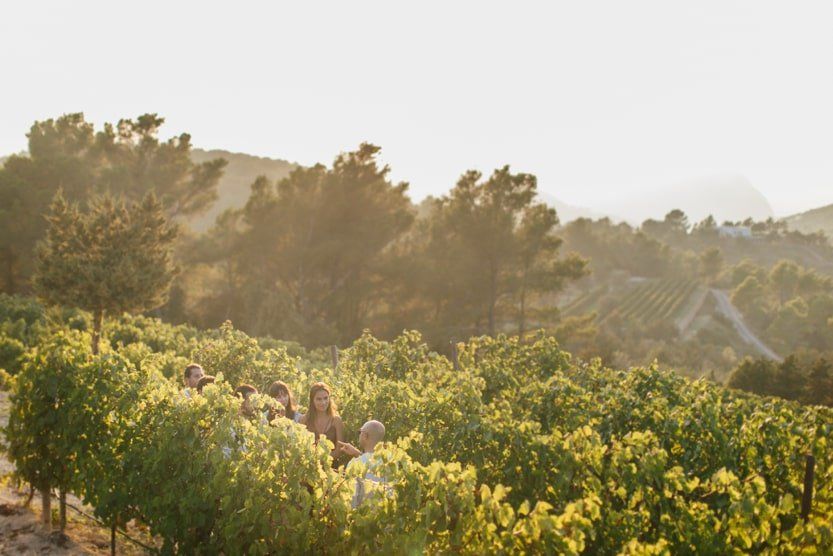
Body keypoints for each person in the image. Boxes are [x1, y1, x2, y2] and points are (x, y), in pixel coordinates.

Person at [338, 420, 386, 507]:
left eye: (360, 432)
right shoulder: (391, 460)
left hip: (363, 515)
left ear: (365, 436)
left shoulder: (355, 464)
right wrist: (358, 453)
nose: (359, 435)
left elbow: (352, 499)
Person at [299, 382, 344, 464]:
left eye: (325, 398)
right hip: (309, 465)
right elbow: (300, 446)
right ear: (312, 401)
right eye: (319, 399)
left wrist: (323, 461)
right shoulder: (304, 420)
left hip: (332, 467)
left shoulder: (336, 420)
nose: (323, 402)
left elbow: (339, 450)